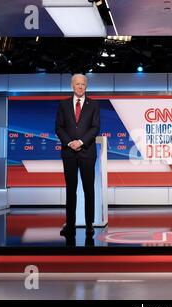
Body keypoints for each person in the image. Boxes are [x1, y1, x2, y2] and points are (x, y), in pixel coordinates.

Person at [55, 74, 100, 237]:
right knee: (70, 190)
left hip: (87, 153)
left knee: (89, 190)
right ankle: (70, 225)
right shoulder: (63, 104)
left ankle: (89, 225)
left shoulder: (94, 104)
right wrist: (70, 143)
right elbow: (59, 128)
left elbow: (95, 128)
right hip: (69, 153)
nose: (80, 87)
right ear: (72, 86)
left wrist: (80, 142)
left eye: (83, 84)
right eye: (77, 84)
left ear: (86, 86)